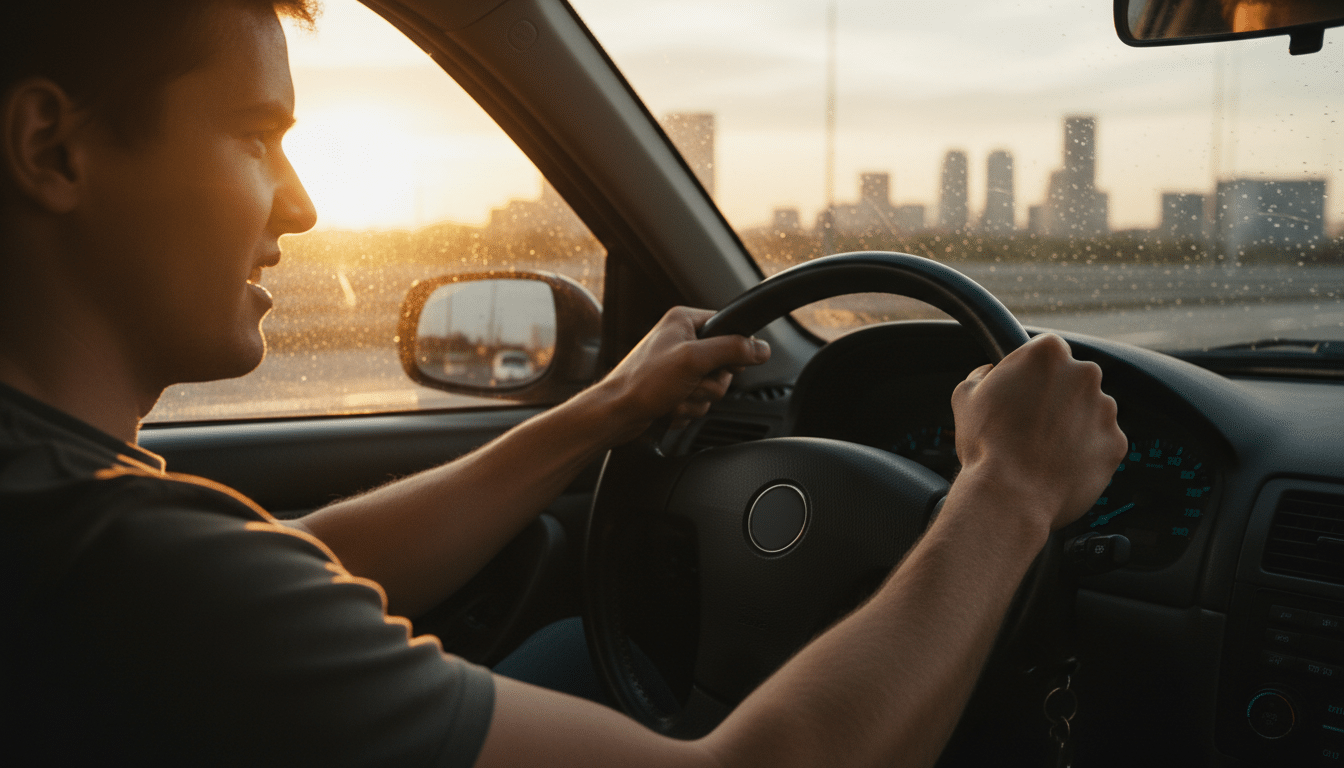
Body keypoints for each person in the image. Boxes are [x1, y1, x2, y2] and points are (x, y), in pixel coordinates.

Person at [0, 0, 1127, 765]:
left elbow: (295, 566)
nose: (299, 206)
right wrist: (1008, 492)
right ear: (52, 149)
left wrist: (601, 414)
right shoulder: (119, 565)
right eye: (255, 138)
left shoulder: (74, 519)